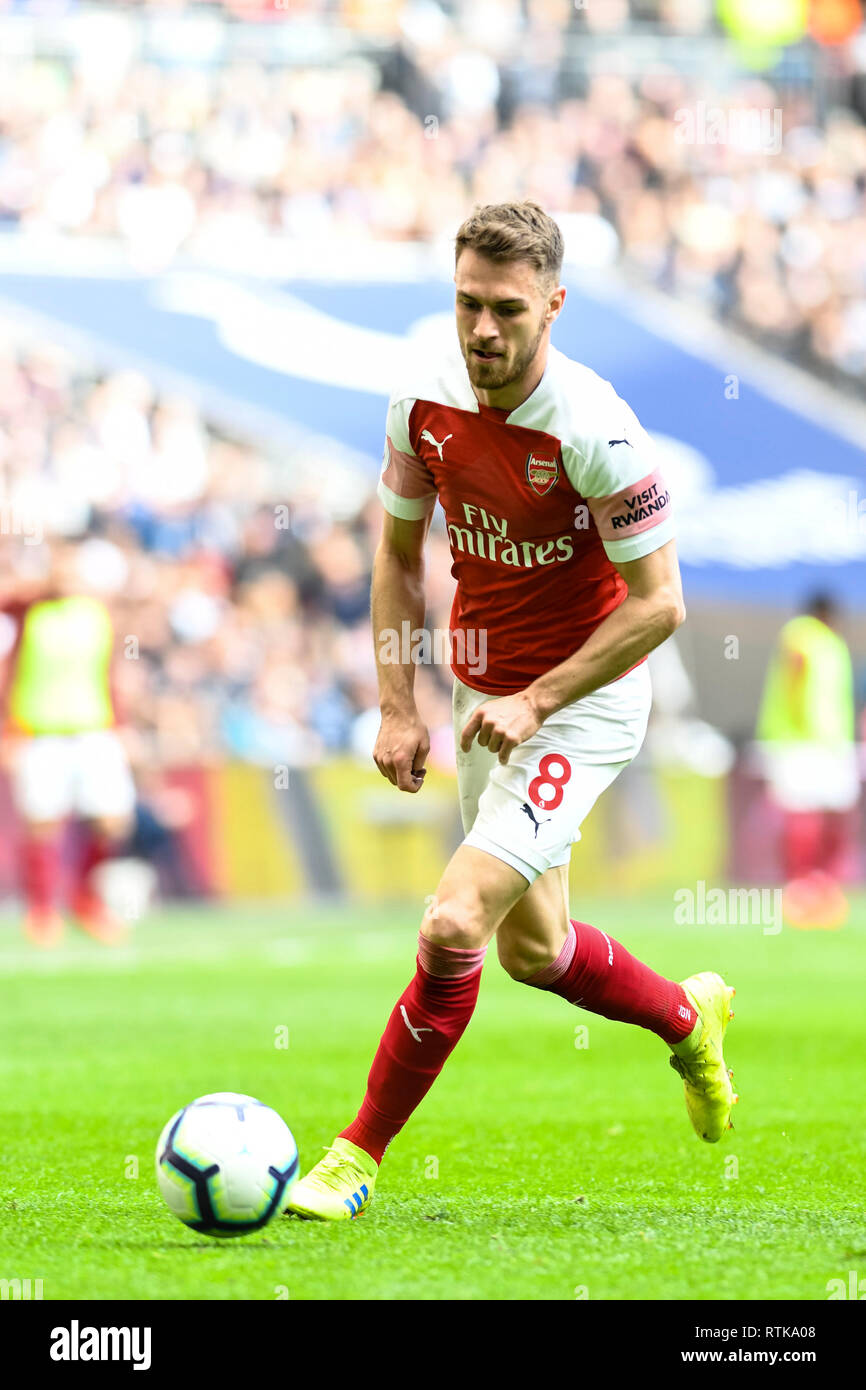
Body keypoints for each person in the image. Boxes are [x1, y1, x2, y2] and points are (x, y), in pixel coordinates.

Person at [286, 201, 737, 1221]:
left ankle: (355, 1156)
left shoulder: (596, 428)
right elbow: (398, 558)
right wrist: (397, 705)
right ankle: (686, 1016)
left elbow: (660, 603)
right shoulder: (420, 402)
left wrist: (540, 696)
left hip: (580, 700)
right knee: (536, 950)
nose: (480, 331)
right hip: (486, 697)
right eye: (463, 306)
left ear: (552, 306)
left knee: (453, 918)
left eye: (504, 310)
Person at [0, 543, 135, 946]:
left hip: (94, 729)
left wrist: (122, 724)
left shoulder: (97, 616)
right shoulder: (28, 612)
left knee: (112, 820)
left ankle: (85, 899)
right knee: (42, 823)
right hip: (40, 732)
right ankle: (42, 911)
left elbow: (109, 674)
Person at [756, 592, 859, 927]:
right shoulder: (801, 634)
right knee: (803, 818)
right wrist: (800, 721)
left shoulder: (833, 643)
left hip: (831, 744)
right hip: (799, 743)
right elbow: (795, 678)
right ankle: (799, 886)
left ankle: (825, 885)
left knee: (834, 818)